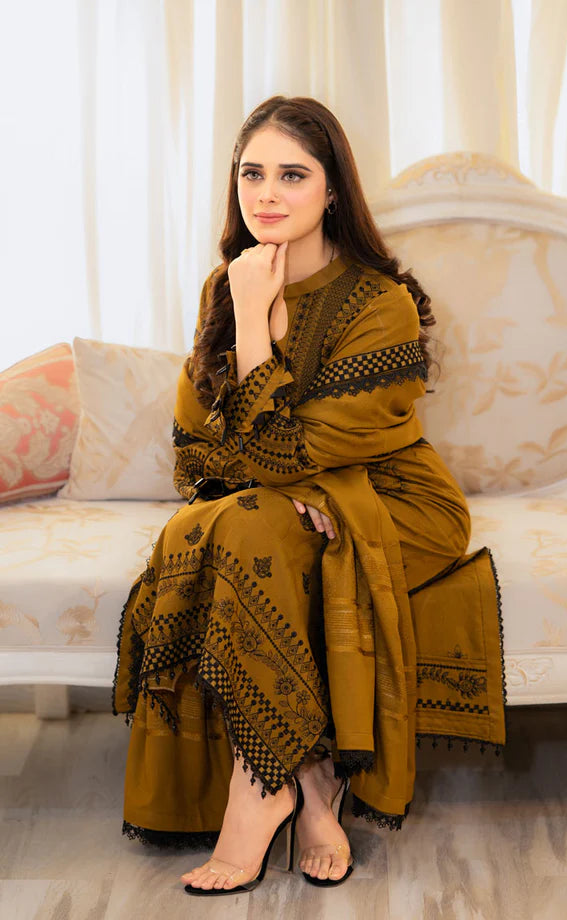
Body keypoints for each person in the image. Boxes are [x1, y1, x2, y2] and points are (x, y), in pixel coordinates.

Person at [112, 94, 507, 897]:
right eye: (252, 172)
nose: (267, 193)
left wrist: (257, 323)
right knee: (229, 527)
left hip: (398, 503)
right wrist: (282, 469)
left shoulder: (379, 303)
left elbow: (299, 449)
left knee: (252, 525)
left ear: (333, 192)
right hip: (284, 499)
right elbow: (198, 451)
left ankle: (257, 794)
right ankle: (312, 784)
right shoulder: (225, 285)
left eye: (293, 174)